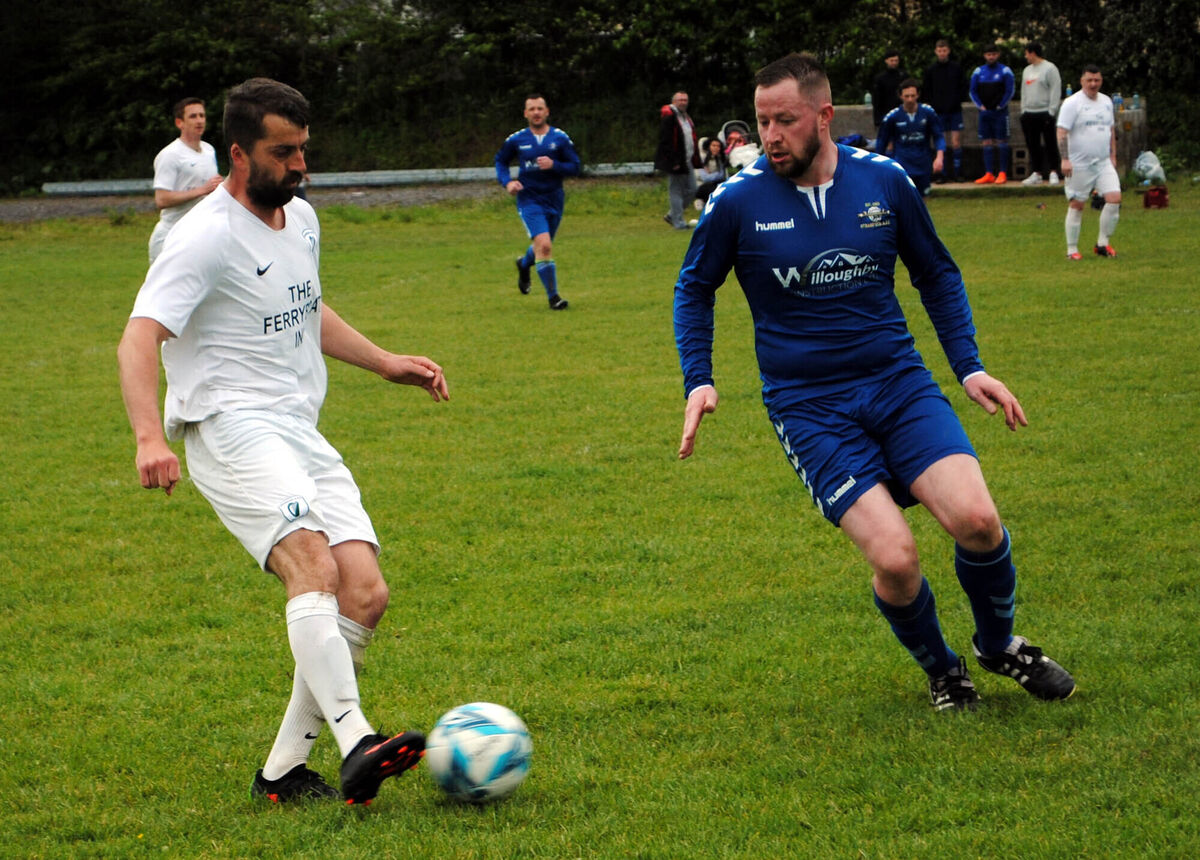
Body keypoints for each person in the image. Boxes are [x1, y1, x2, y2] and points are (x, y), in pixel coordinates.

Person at [673, 52, 1075, 712]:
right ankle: (944, 670)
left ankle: (999, 645)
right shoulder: (736, 201)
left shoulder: (885, 182)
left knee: (976, 520)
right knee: (894, 559)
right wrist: (699, 379)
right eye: (761, 121)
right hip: (808, 405)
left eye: (786, 120)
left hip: (897, 382)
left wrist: (968, 366)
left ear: (825, 117)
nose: (770, 136)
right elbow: (694, 290)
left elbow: (937, 274)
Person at [117, 78, 449, 804]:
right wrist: (150, 436)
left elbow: (305, 306)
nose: (300, 166)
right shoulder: (200, 236)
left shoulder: (299, 219)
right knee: (311, 564)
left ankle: (282, 774)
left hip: (297, 426)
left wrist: (385, 361)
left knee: (363, 593)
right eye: (283, 153)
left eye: (303, 150)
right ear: (238, 155)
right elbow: (140, 335)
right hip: (226, 425)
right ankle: (357, 739)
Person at [494, 93, 581, 310]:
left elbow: (576, 166)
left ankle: (524, 265)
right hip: (529, 199)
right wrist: (507, 183)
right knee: (545, 246)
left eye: (539, 108)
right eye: (531, 109)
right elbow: (501, 161)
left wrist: (555, 165)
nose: (536, 113)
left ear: (547, 112)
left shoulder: (559, 138)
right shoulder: (516, 139)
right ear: (525, 113)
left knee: (542, 246)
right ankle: (554, 298)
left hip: (554, 198)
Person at [1056, 65, 1121, 259]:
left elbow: (1110, 131)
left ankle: (1102, 244)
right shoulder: (1072, 103)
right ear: (1082, 81)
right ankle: (1072, 249)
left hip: (1102, 162)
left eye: (1097, 80)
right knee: (1077, 204)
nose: (1093, 84)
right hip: (1079, 164)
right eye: (1089, 80)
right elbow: (1061, 132)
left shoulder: (1107, 102)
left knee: (1114, 199)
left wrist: (1113, 156)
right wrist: (1065, 159)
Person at [148, 97, 222, 263]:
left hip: (201, 236)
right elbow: (162, 199)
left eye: (202, 116)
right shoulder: (170, 155)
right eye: (193, 116)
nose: (199, 121)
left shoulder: (209, 150)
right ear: (179, 123)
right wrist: (201, 190)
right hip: (171, 235)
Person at [875, 78, 945, 196]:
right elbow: (882, 141)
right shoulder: (893, 117)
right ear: (900, 96)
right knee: (904, 198)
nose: (910, 99)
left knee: (923, 198)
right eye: (907, 96)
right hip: (902, 163)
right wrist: (878, 164)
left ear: (918, 95)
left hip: (923, 163)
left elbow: (938, 136)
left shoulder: (928, 113)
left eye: (913, 96)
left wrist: (939, 157)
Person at [655, 91, 702, 230]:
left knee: (693, 189)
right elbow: (666, 140)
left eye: (685, 100)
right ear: (674, 101)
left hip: (687, 159)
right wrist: (673, 161)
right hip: (675, 160)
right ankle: (678, 222)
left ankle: (672, 215)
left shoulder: (685, 117)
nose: (683, 102)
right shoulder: (670, 117)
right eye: (680, 100)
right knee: (675, 190)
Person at [922, 40, 968, 181]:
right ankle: (942, 173)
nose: (942, 53)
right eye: (939, 51)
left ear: (948, 51)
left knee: (956, 142)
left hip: (954, 110)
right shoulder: (930, 70)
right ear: (936, 52)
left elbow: (963, 87)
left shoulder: (956, 68)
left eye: (944, 50)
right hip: (938, 112)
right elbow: (926, 91)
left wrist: (956, 100)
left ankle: (958, 173)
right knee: (941, 144)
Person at [969, 46, 1015, 184]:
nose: (991, 57)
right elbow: (972, 91)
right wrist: (980, 106)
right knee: (986, 142)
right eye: (989, 54)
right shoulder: (978, 71)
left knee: (1002, 141)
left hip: (1000, 113)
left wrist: (1000, 105)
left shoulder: (1005, 71)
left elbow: (1010, 90)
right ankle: (989, 173)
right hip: (984, 112)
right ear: (984, 55)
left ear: (998, 55)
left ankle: (1002, 172)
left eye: (993, 54)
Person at [1019, 43, 1063, 186]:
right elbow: (1024, 91)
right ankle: (1036, 173)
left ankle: (1054, 172)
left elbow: (1055, 89)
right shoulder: (1027, 70)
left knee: (1050, 143)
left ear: (1033, 53)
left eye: (1027, 53)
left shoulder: (1050, 68)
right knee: (1032, 144)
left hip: (1045, 112)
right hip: (1029, 113)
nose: (1025, 57)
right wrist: (1023, 110)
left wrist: (1051, 111)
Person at [870, 49, 908, 133]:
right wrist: (877, 120)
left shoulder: (903, 76)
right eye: (892, 60)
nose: (894, 63)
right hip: (886, 114)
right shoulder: (880, 79)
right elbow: (876, 101)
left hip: (902, 113)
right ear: (886, 61)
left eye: (896, 60)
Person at [694, 137, 729, 209]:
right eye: (713, 145)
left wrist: (712, 175)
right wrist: (717, 175)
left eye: (718, 146)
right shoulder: (701, 159)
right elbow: (705, 178)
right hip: (701, 186)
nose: (716, 148)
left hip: (715, 183)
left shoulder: (719, 159)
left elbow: (723, 175)